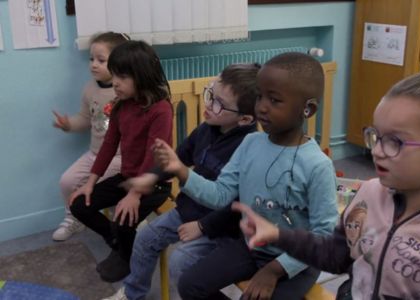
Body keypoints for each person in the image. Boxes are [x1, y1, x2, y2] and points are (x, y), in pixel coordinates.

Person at [233, 71, 420, 300]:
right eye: (376, 136)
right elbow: (335, 256)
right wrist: (279, 235)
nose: (378, 151)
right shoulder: (370, 194)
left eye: (396, 141)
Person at [135, 52, 338, 300]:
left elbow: (323, 236)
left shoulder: (318, 165)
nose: (262, 106)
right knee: (189, 284)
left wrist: (274, 271)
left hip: (296, 260)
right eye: (260, 97)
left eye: (274, 100)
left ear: (308, 109)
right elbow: (220, 195)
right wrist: (181, 171)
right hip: (251, 246)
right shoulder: (251, 143)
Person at [102, 63, 260, 300]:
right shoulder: (207, 128)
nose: (208, 104)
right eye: (210, 93)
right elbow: (180, 157)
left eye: (217, 102)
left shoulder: (250, 147)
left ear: (245, 118)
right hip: (190, 210)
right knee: (145, 240)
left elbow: (236, 204)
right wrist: (150, 177)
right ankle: (133, 293)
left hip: (223, 226)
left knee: (181, 263)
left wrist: (202, 226)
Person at [69, 40, 173, 283]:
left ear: (142, 76)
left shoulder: (161, 109)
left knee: (124, 218)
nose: (115, 82)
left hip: (154, 183)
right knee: (80, 205)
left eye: (122, 77)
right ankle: (119, 244)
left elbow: (153, 156)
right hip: (128, 177)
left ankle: (126, 257)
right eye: (114, 75)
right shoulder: (120, 106)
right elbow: (108, 146)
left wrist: (135, 195)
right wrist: (90, 183)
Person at [52, 32, 129, 241]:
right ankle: (74, 219)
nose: (94, 64)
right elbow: (86, 119)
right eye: (91, 59)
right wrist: (68, 124)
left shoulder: (125, 91)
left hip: (120, 158)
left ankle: (124, 224)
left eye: (101, 60)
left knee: (105, 188)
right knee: (66, 181)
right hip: (95, 153)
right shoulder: (89, 89)